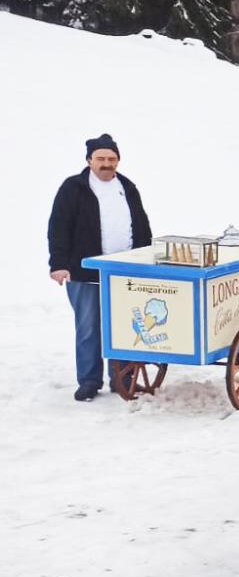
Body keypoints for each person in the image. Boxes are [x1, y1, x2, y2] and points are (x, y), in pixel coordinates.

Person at [47, 134, 153, 401]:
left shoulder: (127, 186)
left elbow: (141, 225)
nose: (107, 163)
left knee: (126, 326)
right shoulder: (74, 188)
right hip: (85, 272)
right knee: (89, 327)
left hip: (124, 272)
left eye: (112, 159)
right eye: (101, 158)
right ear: (89, 160)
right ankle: (89, 381)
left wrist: (145, 258)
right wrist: (58, 264)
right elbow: (58, 228)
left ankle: (122, 379)